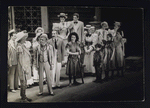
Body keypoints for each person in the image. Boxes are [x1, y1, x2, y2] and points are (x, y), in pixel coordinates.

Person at [15, 31, 32, 102]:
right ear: (21, 39)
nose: (26, 38)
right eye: (24, 37)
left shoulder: (23, 45)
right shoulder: (19, 47)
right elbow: (20, 59)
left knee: (24, 82)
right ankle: (23, 98)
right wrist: (24, 67)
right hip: (22, 66)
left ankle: (23, 96)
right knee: (23, 82)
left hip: (25, 65)